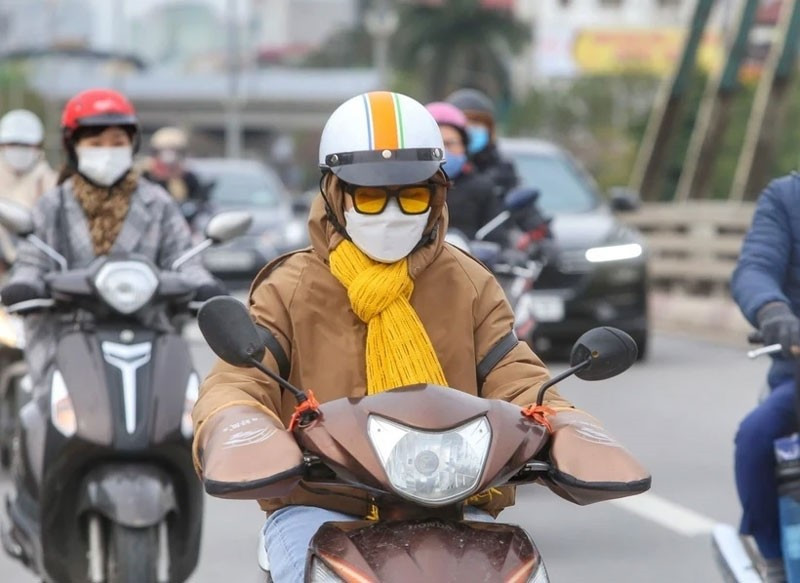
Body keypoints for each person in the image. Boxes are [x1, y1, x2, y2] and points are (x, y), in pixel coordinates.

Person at [191, 91, 646, 583]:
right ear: (335, 193)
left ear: (437, 194)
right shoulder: (290, 286)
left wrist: (566, 423)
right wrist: (239, 423)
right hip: (322, 505)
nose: (392, 213)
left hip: (455, 504)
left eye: (411, 196)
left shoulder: (468, 282)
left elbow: (514, 374)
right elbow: (240, 379)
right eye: (370, 197)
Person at [0, 88, 223, 392]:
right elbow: (32, 260)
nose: (107, 152)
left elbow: (185, 258)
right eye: (95, 143)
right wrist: (25, 285)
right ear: (73, 146)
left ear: (132, 145)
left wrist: (204, 286)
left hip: (150, 336)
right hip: (68, 339)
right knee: (43, 414)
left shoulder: (158, 204)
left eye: (117, 143)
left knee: (184, 407)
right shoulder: (52, 206)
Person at [731, 172, 800, 581]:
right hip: (797, 378)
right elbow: (754, 269)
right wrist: (773, 311)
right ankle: (774, 558)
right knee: (757, 436)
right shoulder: (787, 197)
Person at [425, 101, 503, 240]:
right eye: (438, 144)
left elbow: (497, 237)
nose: (444, 151)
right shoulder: (411, 187)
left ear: (464, 146)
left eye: (449, 144)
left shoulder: (482, 188)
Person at [0, 110, 57, 267]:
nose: (18, 150)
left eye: (25, 145)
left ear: (38, 146)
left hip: (39, 263)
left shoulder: (50, 182)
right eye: (12, 144)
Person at [446, 88, 518, 198]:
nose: (471, 127)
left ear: (490, 129)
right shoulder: (440, 166)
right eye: (465, 121)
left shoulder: (503, 171)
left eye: (477, 122)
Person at [142, 126, 208, 224]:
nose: (169, 158)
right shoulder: (145, 177)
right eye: (164, 152)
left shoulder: (188, 178)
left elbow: (198, 204)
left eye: (174, 152)